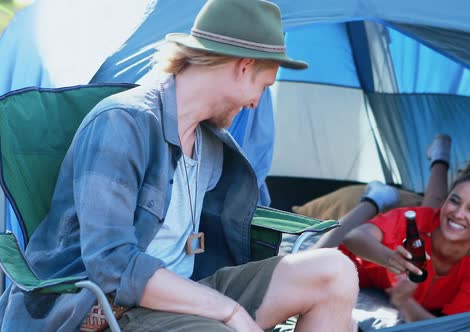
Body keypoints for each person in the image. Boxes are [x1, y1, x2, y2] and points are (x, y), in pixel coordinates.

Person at [0, 0, 359, 331]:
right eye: (263, 87)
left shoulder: (213, 143)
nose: (255, 103)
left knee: (335, 272)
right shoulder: (124, 124)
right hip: (117, 307)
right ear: (243, 67)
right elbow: (112, 265)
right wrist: (229, 311)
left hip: (190, 292)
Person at [315, 134, 470, 322]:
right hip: (360, 268)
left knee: (435, 220)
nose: (459, 213)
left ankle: (439, 158)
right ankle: (374, 198)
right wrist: (389, 259)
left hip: (416, 280)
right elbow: (354, 238)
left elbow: (453, 328)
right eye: (454, 201)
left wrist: (405, 302)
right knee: (313, 259)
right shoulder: (417, 222)